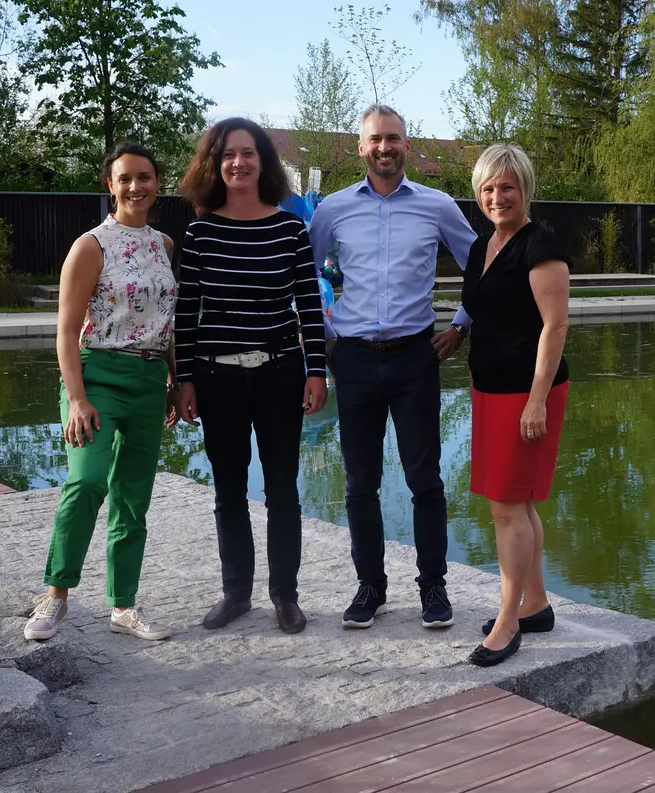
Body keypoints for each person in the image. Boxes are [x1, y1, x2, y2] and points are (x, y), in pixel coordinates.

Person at [308, 104, 476, 631]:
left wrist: (461, 326)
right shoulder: (331, 210)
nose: (385, 147)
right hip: (353, 360)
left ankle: (433, 586)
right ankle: (371, 586)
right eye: (376, 139)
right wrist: (329, 339)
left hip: (415, 359)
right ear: (361, 147)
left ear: (408, 145)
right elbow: (304, 277)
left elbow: (485, 265)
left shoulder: (438, 205)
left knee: (425, 478)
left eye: (395, 139)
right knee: (360, 481)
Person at [173, 117, 329, 634]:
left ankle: (285, 595)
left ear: (264, 162)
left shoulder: (289, 229)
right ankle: (236, 593)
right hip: (217, 380)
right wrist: (186, 380)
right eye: (227, 155)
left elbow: (309, 304)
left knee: (283, 489)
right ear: (215, 165)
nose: (238, 163)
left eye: (248, 153)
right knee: (228, 489)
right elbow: (186, 310)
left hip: (280, 374)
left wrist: (316, 372)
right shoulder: (200, 231)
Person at [24, 142, 181, 643]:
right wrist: (76, 398)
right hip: (97, 378)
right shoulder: (91, 245)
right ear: (109, 184)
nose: (135, 186)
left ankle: (123, 606)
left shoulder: (165, 246)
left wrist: (176, 383)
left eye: (145, 176)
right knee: (87, 481)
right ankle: (55, 596)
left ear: (158, 182)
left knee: (133, 497)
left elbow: (167, 324)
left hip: (149, 380)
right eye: (125, 178)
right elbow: (66, 329)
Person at [460, 144, 569, 667]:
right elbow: (483, 309)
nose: (497, 196)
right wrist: (455, 336)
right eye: (488, 188)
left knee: (507, 507)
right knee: (517, 502)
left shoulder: (539, 245)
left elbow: (556, 326)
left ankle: (508, 625)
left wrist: (537, 401)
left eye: (507, 187)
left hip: (526, 395)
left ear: (525, 188)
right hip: (490, 390)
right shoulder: (485, 244)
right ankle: (536, 604)